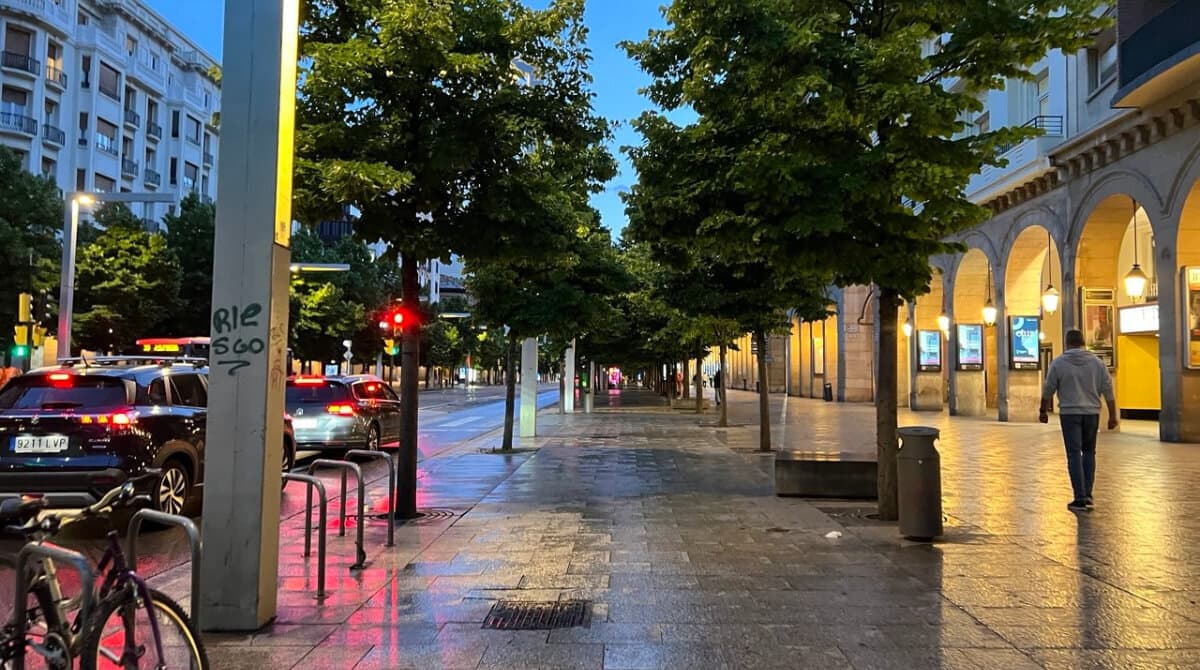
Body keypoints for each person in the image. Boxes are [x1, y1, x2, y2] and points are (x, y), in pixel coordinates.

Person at [1040, 329, 1117, 512]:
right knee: (1089, 452)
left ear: (1067, 343)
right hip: (1092, 414)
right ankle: (1088, 495)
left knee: (1074, 454)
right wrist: (1113, 415)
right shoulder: (1097, 364)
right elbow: (1108, 390)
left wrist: (1042, 410)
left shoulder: (1058, 363)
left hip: (1069, 413)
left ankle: (1079, 497)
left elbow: (1048, 389)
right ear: (1083, 342)